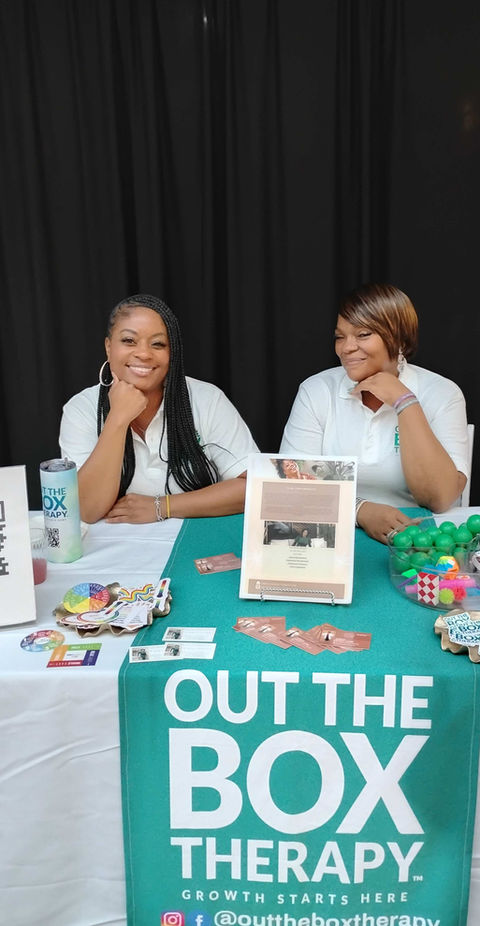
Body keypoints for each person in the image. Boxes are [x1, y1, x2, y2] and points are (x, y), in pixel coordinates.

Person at [280, 283, 469, 543]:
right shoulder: (317, 390)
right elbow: (292, 484)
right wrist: (359, 510)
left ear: (400, 338)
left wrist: (405, 402)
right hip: (331, 534)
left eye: (363, 334)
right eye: (339, 336)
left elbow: (440, 498)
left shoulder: (442, 393)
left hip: (417, 542)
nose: (346, 348)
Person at [59, 294, 258, 523]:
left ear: (171, 353)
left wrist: (162, 507)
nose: (144, 353)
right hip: (114, 547)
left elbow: (254, 487)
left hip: (193, 540)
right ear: (108, 347)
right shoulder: (81, 409)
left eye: (158, 344)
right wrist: (117, 419)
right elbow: (86, 511)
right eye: (129, 341)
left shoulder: (207, 399)